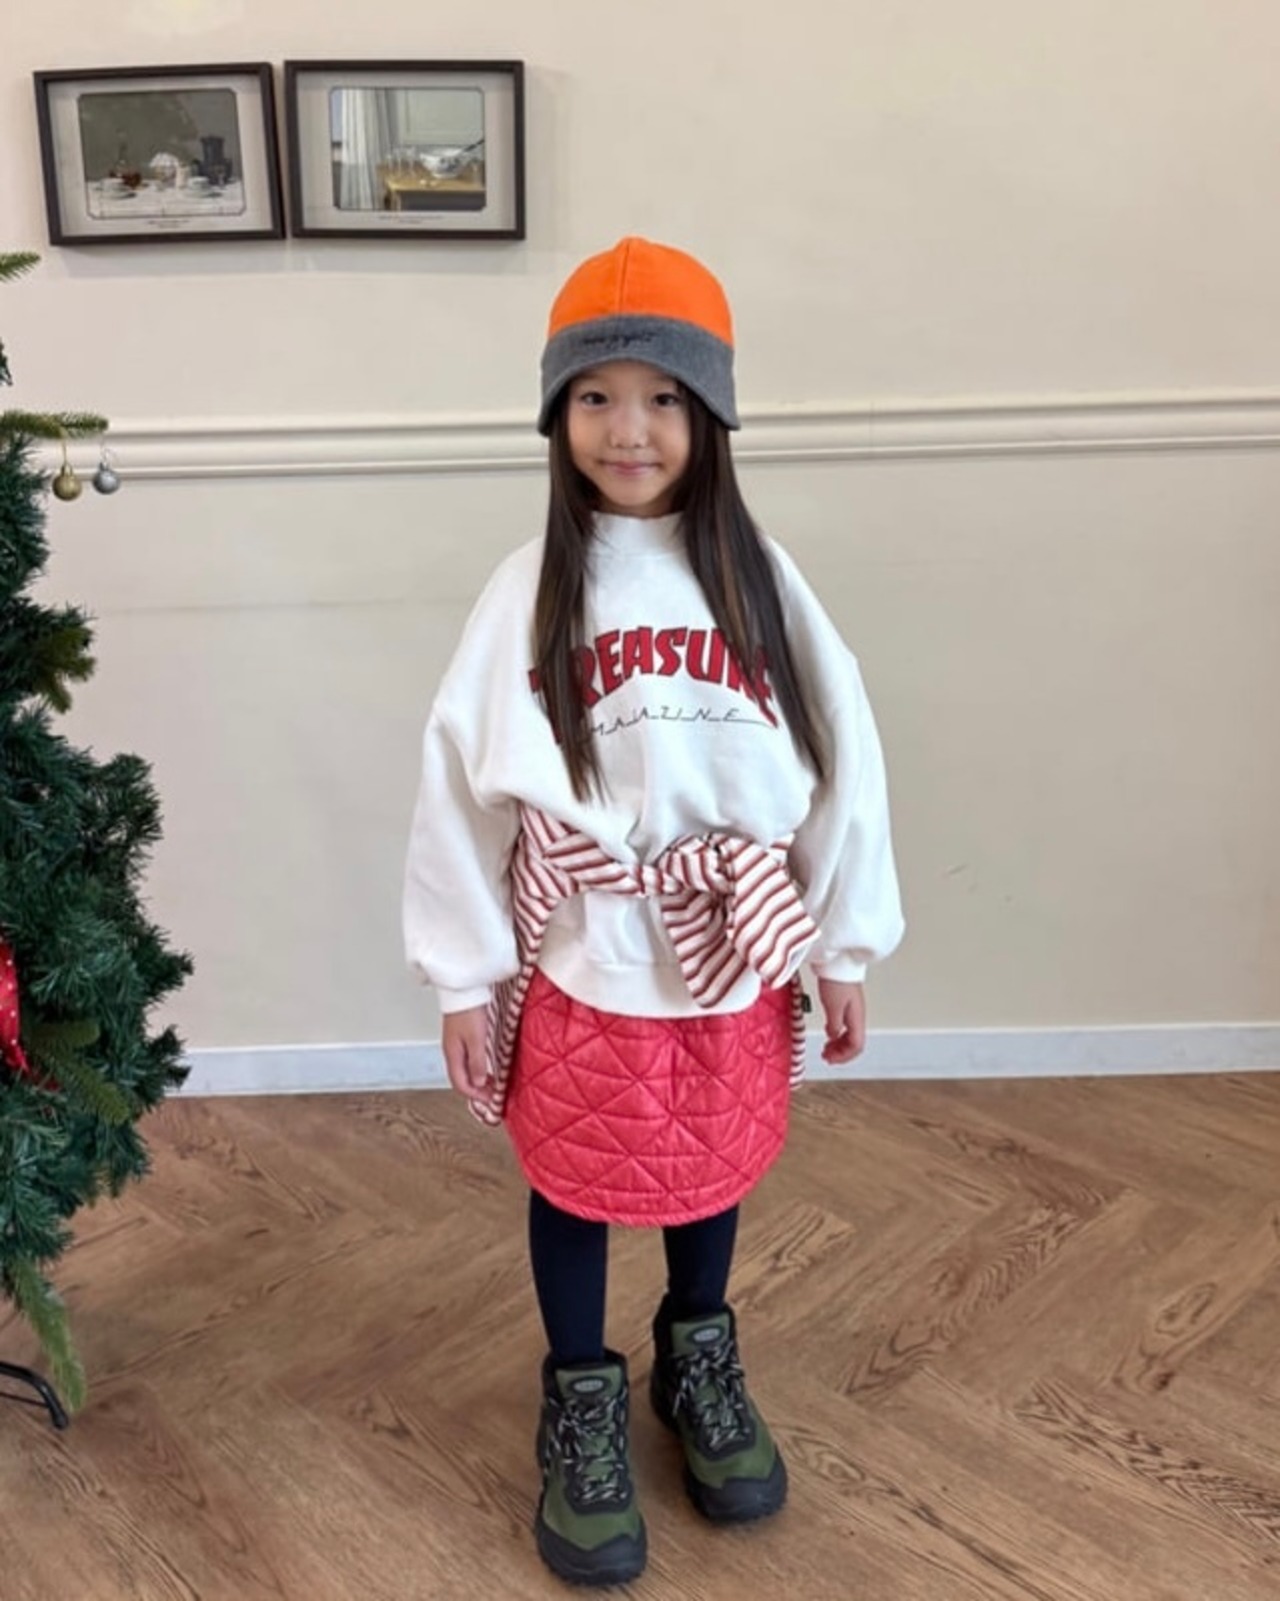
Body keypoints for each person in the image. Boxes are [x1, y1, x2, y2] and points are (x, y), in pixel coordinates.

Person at [403, 236, 904, 1587]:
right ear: (558, 414)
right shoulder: (528, 589)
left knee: (708, 1166)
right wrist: (462, 973)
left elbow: (845, 754)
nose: (629, 429)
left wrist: (842, 941)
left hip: (729, 948)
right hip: (585, 951)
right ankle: (580, 1392)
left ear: (711, 413)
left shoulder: (759, 579)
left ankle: (697, 1351)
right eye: (597, 397)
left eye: (663, 398)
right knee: (576, 1176)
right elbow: (459, 781)